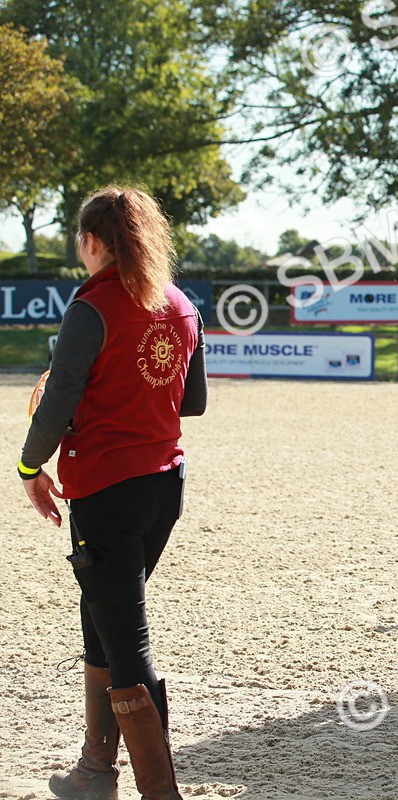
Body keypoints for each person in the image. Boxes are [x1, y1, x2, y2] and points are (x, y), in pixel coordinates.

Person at [20, 187, 207, 800]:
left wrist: (29, 468)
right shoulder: (181, 304)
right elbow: (192, 402)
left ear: (93, 241)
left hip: (106, 491)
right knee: (101, 616)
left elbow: (57, 405)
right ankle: (95, 773)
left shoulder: (91, 306)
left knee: (129, 644)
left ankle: (159, 793)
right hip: (164, 487)